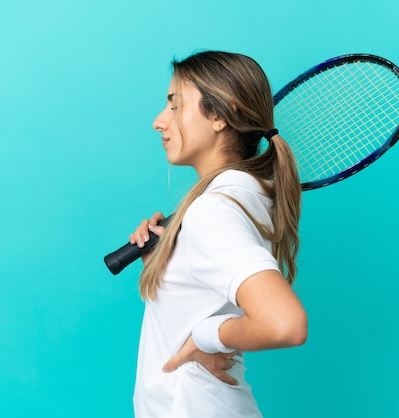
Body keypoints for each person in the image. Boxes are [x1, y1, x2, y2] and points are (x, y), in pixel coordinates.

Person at [128, 50, 308, 418]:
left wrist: (206, 336)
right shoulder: (239, 197)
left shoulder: (213, 210)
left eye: (175, 106)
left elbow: (284, 323)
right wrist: (169, 264)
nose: (158, 122)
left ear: (218, 115)